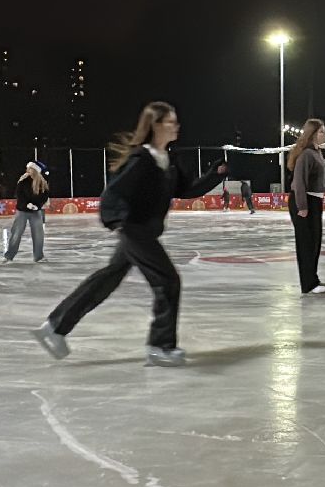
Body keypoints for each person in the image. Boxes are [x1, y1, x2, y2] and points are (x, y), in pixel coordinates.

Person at [33, 101, 225, 365]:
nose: (176, 125)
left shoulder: (168, 160)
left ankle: (54, 326)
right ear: (156, 125)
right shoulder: (142, 160)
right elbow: (112, 194)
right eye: (170, 121)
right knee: (168, 280)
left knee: (108, 278)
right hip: (135, 230)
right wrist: (118, 223)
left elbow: (185, 190)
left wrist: (215, 175)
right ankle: (160, 347)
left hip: (143, 231)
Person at [287, 119, 325, 294]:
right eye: (321, 132)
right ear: (312, 134)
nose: (324, 135)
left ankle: (313, 279)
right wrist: (302, 206)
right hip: (304, 201)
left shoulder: (317, 153)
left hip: (315, 201)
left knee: (314, 242)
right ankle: (308, 284)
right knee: (306, 243)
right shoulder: (306, 154)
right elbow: (299, 182)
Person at [4, 160, 53, 263]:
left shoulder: (42, 182)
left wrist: (37, 206)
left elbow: (44, 196)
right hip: (22, 211)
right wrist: (26, 204)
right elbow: (19, 195)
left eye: (30, 169)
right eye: (28, 169)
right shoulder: (23, 180)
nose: (28, 170)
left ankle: (38, 257)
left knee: (38, 234)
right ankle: (9, 256)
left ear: (35, 170)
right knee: (16, 233)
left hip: (35, 212)